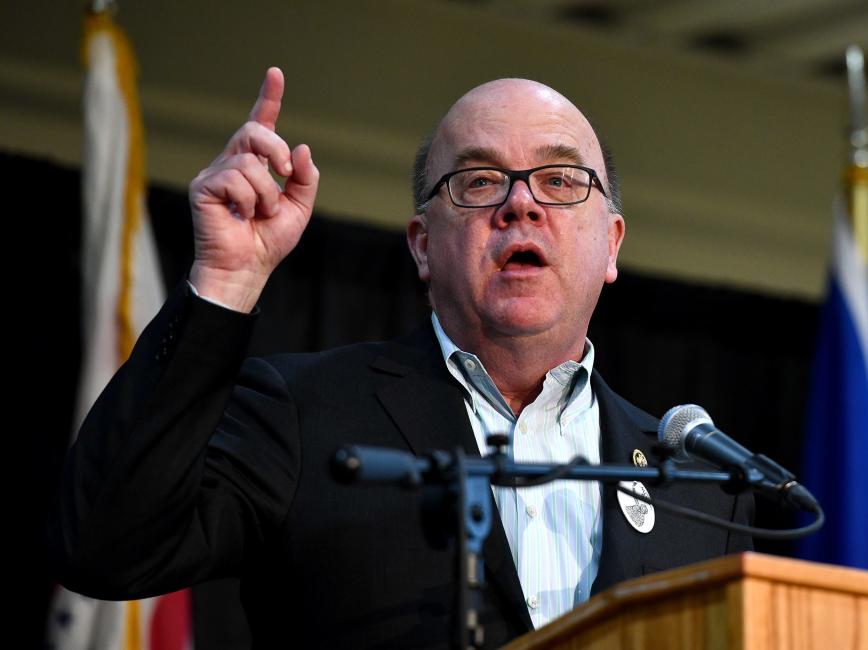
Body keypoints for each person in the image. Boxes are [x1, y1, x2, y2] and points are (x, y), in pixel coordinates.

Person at [49, 67, 752, 648]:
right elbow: (106, 545)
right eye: (479, 182)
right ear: (421, 244)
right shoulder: (304, 413)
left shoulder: (700, 488)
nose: (521, 204)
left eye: (562, 181)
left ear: (612, 246)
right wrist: (223, 285)